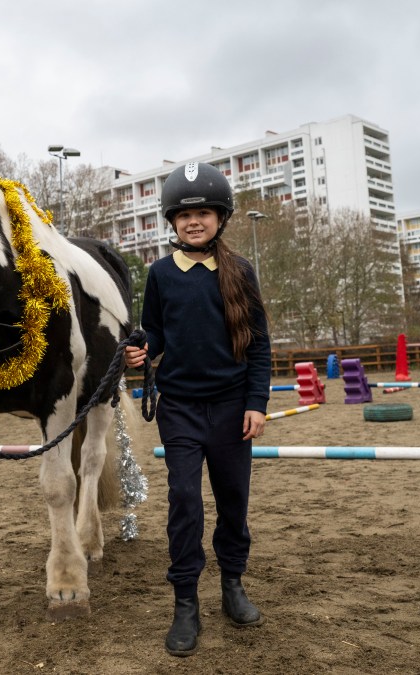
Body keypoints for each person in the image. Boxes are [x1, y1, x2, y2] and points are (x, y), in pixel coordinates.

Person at [125, 161, 271, 657]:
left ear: (220, 218)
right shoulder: (161, 273)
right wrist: (143, 347)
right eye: (185, 215)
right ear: (171, 221)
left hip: (232, 409)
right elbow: (156, 331)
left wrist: (256, 402)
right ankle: (185, 601)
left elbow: (260, 346)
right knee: (185, 501)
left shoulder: (241, 272)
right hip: (181, 408)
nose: (194, 221)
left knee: (233, 501)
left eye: (204, 213)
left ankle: (233, 584)